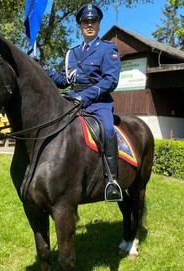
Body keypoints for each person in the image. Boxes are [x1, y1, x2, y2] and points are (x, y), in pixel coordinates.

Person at [46, 3, 122, 201]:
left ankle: (112, 181)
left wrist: (85, 96)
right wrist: (44, 71)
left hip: (98, 102)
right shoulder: (72, 53)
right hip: (72, 100)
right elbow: (64, 80)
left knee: (107, 130)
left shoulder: (108, 49)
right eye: (85, 22)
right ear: (80, 26)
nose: (89, 25)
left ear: (98, 25)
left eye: (93, 21)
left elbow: (110, 80)